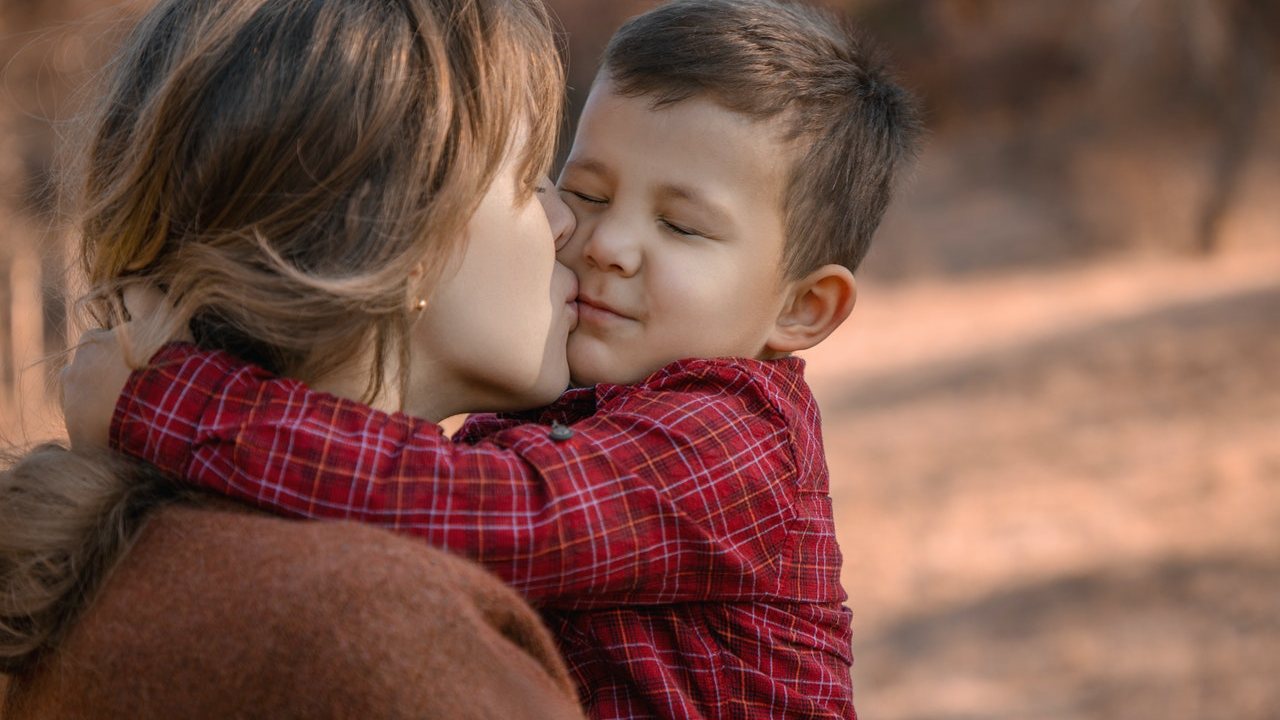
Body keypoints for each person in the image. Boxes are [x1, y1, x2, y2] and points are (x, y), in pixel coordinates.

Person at [64, 1, 923, 717]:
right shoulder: (569, 410)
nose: (602, 243)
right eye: (579, 191)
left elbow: (493, 515)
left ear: (803, 308)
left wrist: (175, 401)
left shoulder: (730, 434)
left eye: (682, 226)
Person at [1, 0, 588, 716]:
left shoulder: (111, 574)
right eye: (532, 180)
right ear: (403, 238)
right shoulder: (387, 641)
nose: (568, 225)